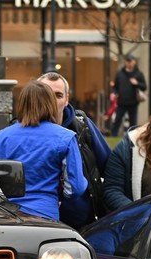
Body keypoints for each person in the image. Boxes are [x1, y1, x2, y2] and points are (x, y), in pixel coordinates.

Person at [0, 81, 87, 223]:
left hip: (7, 216)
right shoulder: (65, 137)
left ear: (21, 104)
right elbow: (75, 187)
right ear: (50, 104)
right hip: (45, 215)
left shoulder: (1, 137)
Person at [38, 72, 111, 229]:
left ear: (66, 99)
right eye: (46, 94)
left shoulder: (82, 126)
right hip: (41, 223)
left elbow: (109, 166)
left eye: (58, 95)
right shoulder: (21, 131)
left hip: (86, 224)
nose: (51, 100)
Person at [110, 54, 147, 137]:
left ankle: (132, 137)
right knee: (117, 120)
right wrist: (115, 93)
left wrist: (137, 83)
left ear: (134, 62)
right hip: (121, 102)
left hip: (133, 102)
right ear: (125, 62)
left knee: (133, 122)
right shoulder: (120, 73)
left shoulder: (138, 74)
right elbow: (115, 87)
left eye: (131, 61)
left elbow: (144, 87)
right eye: (127, 61)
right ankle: (113, 136)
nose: (129, 63)